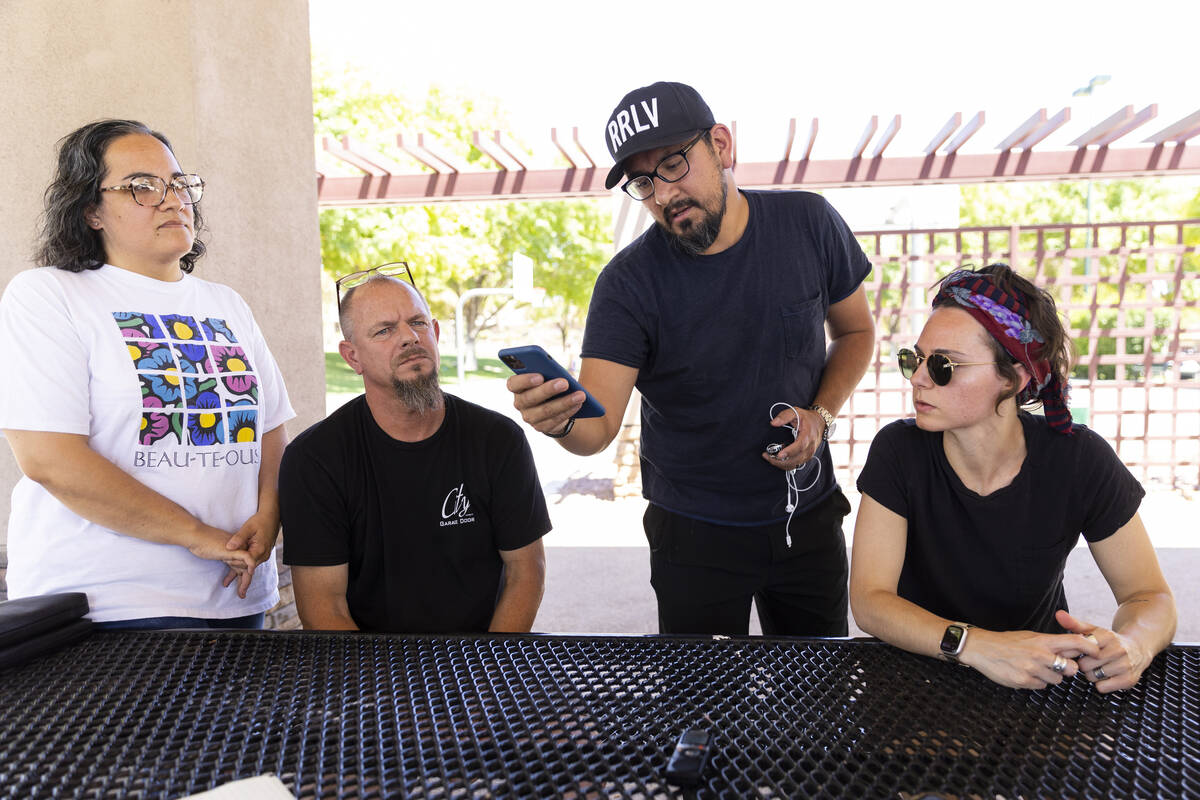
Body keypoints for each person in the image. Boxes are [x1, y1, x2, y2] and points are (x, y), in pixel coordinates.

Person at [507, 81, 876, 636]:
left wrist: (819, 415)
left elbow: (856, 332)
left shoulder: (810, 224)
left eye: (675, 163)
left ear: (722, 146)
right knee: (701, 711)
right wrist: (558, 420)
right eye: (643, 180)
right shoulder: (627, 284)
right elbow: (596, 428)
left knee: (817, 700)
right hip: (693, 534)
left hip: (807, 517)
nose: (663, 194)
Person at [0, 119, 294, 629]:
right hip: (107, 605)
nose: (170, 198)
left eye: (178, 183)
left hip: (235, 597)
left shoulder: (225, 305)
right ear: (90, 210)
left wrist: (269, 518)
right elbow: (50, 459)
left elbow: (270, 431)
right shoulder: (48, 295)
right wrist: (196, 535)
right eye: (142, 186)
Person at [850, 263, 1176, 692]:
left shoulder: (1077, 458)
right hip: (916, 673)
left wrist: (1133, 645)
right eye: (915, 358)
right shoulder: (899, 449)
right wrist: (976, 646)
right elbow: (871, 601)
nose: (919, 378)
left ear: (1014, 378)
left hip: (1038, 680)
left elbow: (1150, 596)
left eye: (944, 365)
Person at [279, 266, 549, 633]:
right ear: (352, 357)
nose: (408, 337)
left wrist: (485, 675)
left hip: (479, 663)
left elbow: (526, 573)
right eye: (384, 330)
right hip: (370, 672)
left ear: (436, 334)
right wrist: (387, 690)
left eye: (418, 323)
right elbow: (323, 606)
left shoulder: (498, 440)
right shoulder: (314, 459)